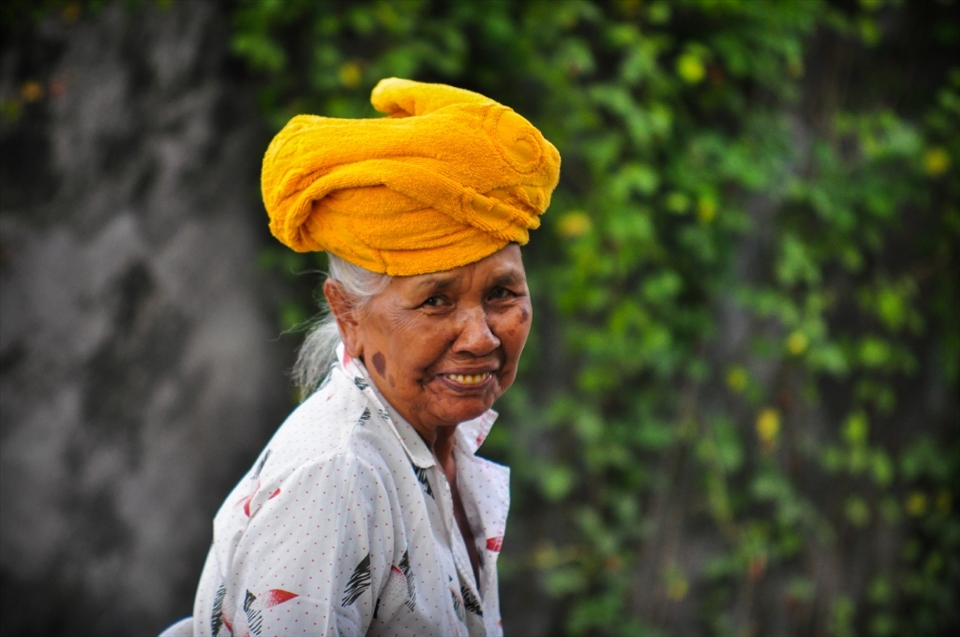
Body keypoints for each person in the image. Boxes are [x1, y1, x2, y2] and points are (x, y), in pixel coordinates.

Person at [189, 77, 560, 637]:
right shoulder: (337, 476)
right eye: (436, 300)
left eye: (501, 294)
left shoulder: (438, 443)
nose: (482, 337)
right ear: (348, 316)